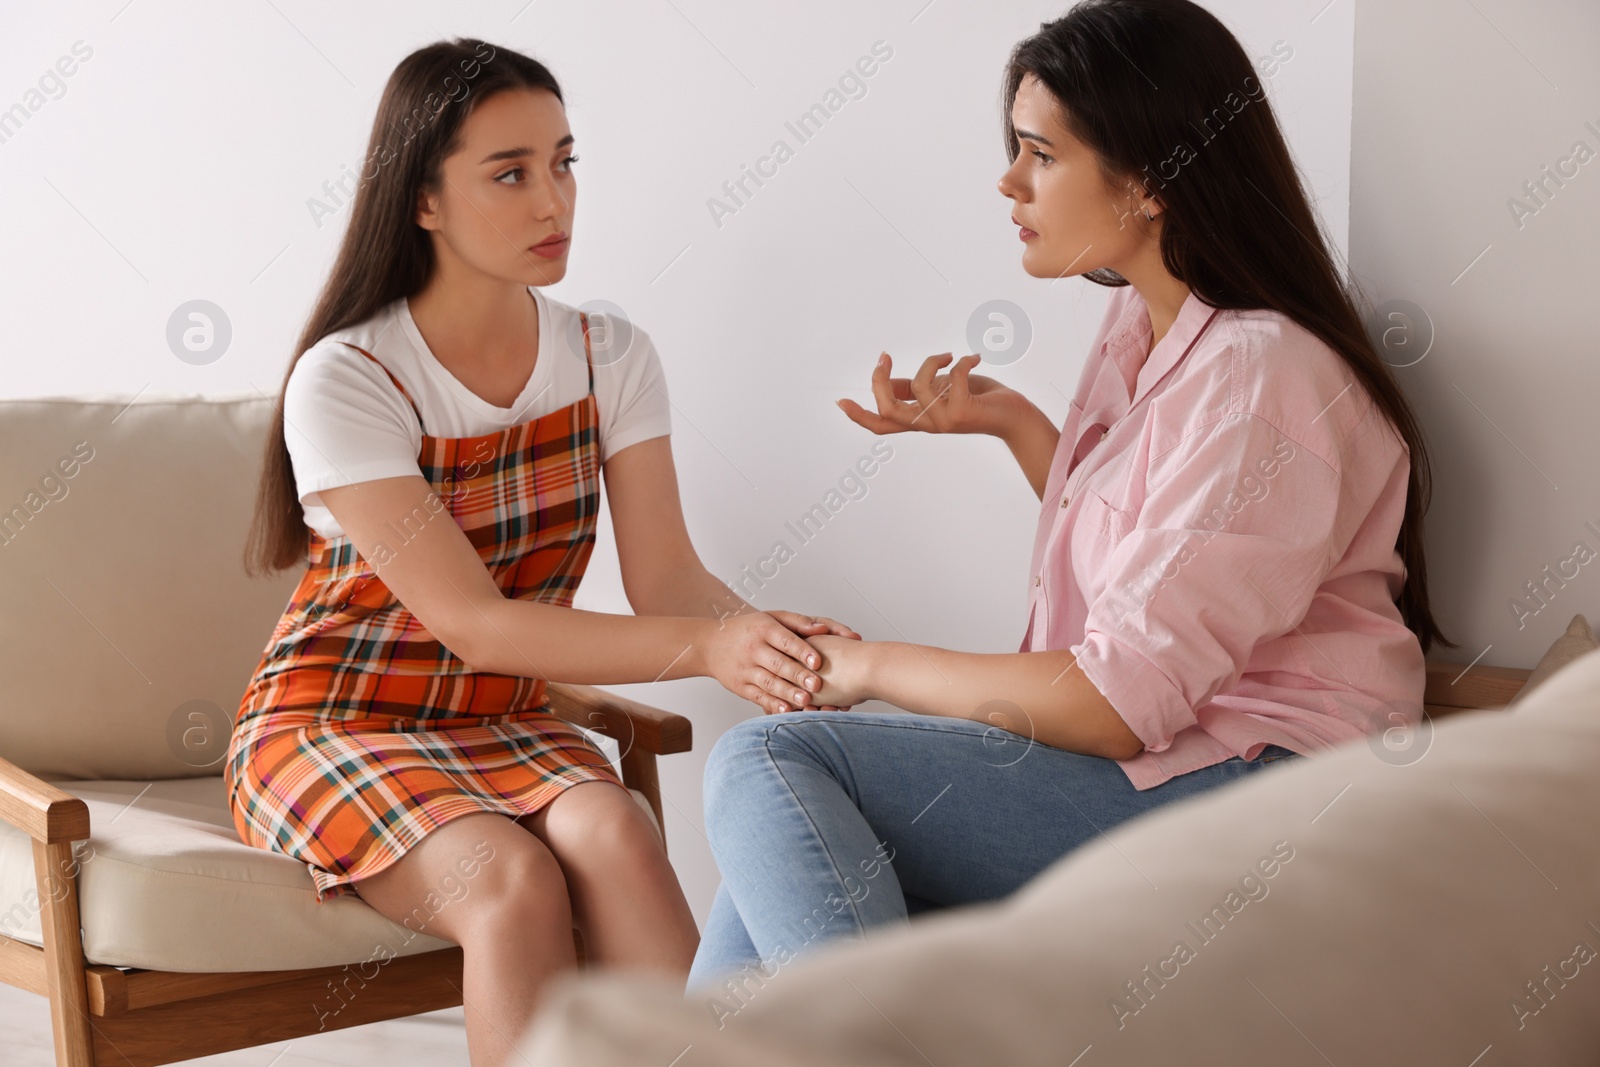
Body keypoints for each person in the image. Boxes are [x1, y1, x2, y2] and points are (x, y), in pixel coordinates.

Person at [687, 0, 1453, 993]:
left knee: (772, 766)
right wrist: (1014, 421)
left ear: (1145, 177)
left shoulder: (1261, 373)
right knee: (776, 837)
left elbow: (1116, 702)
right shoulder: (1143, 331)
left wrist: (868, 663)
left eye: (1038, 153)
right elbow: (1171, 553)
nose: (1008, 182)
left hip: (1262, 798)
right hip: (1180, 765)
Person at [224, 38, 855, 1067]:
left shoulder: (609, 353)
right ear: (422, 199)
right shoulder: (349, 377)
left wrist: (762, 638)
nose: (551, 201)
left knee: (617, 831)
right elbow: (473, 625)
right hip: (331, 721)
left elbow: (670, 581)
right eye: (509, 173)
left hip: (500, 719)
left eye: (564, 163)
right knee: (511, 881)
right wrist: (704, 652)